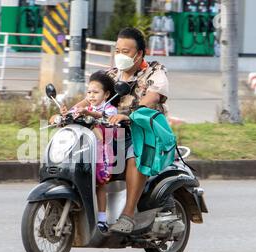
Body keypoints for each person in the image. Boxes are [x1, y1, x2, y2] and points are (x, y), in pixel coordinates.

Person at [70, 27, 170, 234]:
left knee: (135, 154)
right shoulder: (110, 76)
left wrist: (130, 114)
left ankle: (128, 214)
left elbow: (152, 97)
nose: (120, 55)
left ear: (139, 53)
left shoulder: (155, 71)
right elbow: (90, 98)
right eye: (118, 50)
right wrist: (70, 112)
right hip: (112, 133)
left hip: (144, 132)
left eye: (126, 51)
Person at [51, 72, 119, 232]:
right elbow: (72, 115)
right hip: (83, 150)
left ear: (107, 94)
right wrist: (63, 114)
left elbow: (102, 116)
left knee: (100, 184)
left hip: (101, 152)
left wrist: (89, 113)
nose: (91, 95)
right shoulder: (85, 107)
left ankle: (102, 219)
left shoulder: (110, 109)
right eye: (89, 92)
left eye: (96, 92)